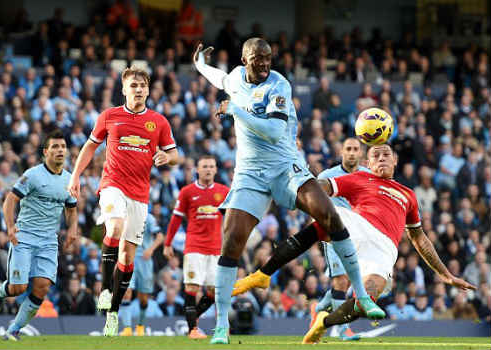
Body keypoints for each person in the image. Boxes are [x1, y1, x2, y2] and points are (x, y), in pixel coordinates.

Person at [193, 38, 383, 344]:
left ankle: (361, 296)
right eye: (258, 59)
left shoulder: (279, 85)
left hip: (285, 168)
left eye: (268, 58)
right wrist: (199, 64)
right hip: (250, 175)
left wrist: (236, 111)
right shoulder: (235, 80)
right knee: (231, 241)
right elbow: (220, 78)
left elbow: (273, 131)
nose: (265, 64)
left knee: (331, 217)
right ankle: (221, 327)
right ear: (245, 61)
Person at [232, 143, 476, 344]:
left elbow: (419, 238)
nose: (381, 159)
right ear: (368, 164)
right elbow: (322, 189)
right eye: (375, 156)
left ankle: (324, 322)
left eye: (386, 155)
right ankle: (264, 273)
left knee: (366, 300)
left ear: (395, 162)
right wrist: (300, 183)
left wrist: (445, 274)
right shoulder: (360, 178)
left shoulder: (408, 195)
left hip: (384, 249)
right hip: (357, 225)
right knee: (328, 218)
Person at [67, 66, 179, 336]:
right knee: (114, 227)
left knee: (128, 258)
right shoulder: (109, 116)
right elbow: (90, 146)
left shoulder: (159, 122)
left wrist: (168, 158)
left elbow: (175, 154)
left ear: (148, 89)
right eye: (134, 85)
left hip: (139, 195)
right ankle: (105, 289)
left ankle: (113, 312)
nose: (138, 89)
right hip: (112, 186)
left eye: (142, 85)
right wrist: (75, 176)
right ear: (124, 89)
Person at [0, 129, 78, 341]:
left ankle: (13, 330)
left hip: (48, 240)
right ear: (45, 152)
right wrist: (10, 227)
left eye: (63, 147)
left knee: (42, 287)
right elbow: (10, 200)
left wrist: (73, 229)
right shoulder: (32, 175)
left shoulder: (70, 179)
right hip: (25, 236)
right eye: (55, 147)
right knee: (18, 287)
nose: (60, 150)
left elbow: (71, 208)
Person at [163, 155, 229, 339]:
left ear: (216, 170)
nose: (208, 169)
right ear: (197, 170)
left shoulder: (224, 192)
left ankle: (193, 317)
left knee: (213, 291)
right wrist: (167, 243)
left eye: (211, 166)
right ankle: (193, 330)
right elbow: (176, 218)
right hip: (194, 247)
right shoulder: (187, 192)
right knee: (192, 287)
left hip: (216, 249)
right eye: (204, 166)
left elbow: (232, 218)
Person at [311, 137, 368, 341]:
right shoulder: (327, 177)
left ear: (361, 153)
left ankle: (318, 309)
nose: (352, 152)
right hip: (335, 234)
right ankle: (343, 330)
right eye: (348, 149)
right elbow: (314, 204)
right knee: (341, 280)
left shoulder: (368, 176)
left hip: (360, 236)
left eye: (355, 149)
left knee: (349, 282)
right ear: (341, 152)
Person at [119, 214, 163, 336]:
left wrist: (151, 249)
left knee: (143, 298)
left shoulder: (148, 218)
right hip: (128, 258)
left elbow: (160, 236)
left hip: (144, 261)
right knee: (126, 291)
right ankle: (127, 329)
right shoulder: (124, 215)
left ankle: (140, 326)